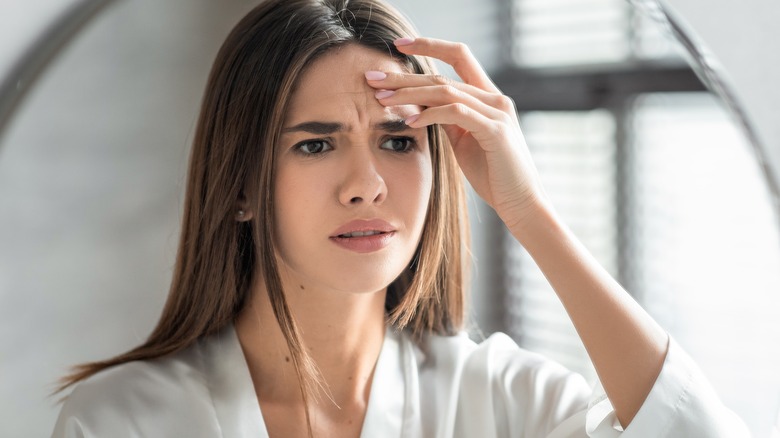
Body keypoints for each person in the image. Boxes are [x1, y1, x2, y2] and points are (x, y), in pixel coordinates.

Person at [51, 0, 749, 436]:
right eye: (316, 144)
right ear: (239, 184)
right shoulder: (123, 420)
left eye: (398, 141)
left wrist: (526, 209)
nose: (366, 186)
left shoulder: (503, 401)